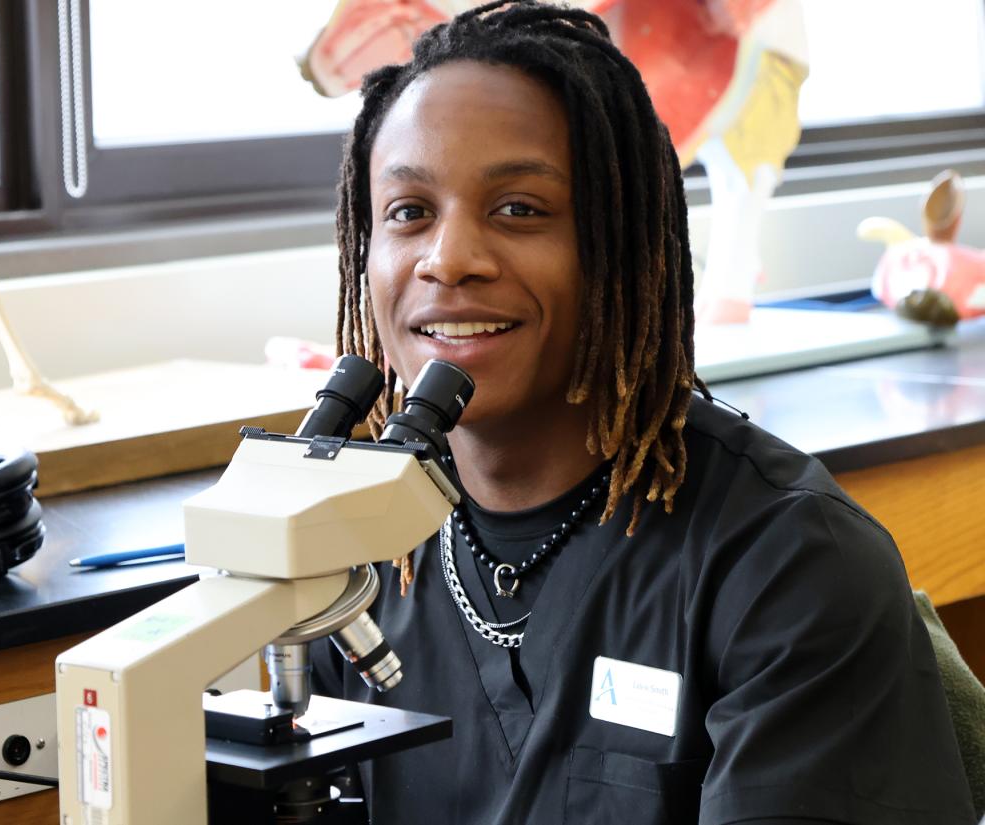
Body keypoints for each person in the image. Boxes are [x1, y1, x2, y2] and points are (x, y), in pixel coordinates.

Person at [310, 2, 977, 823]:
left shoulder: (788, 566)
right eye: (409, 212)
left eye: (519, 208)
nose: (448, 259)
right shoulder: (349, 547)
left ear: (621, 244)